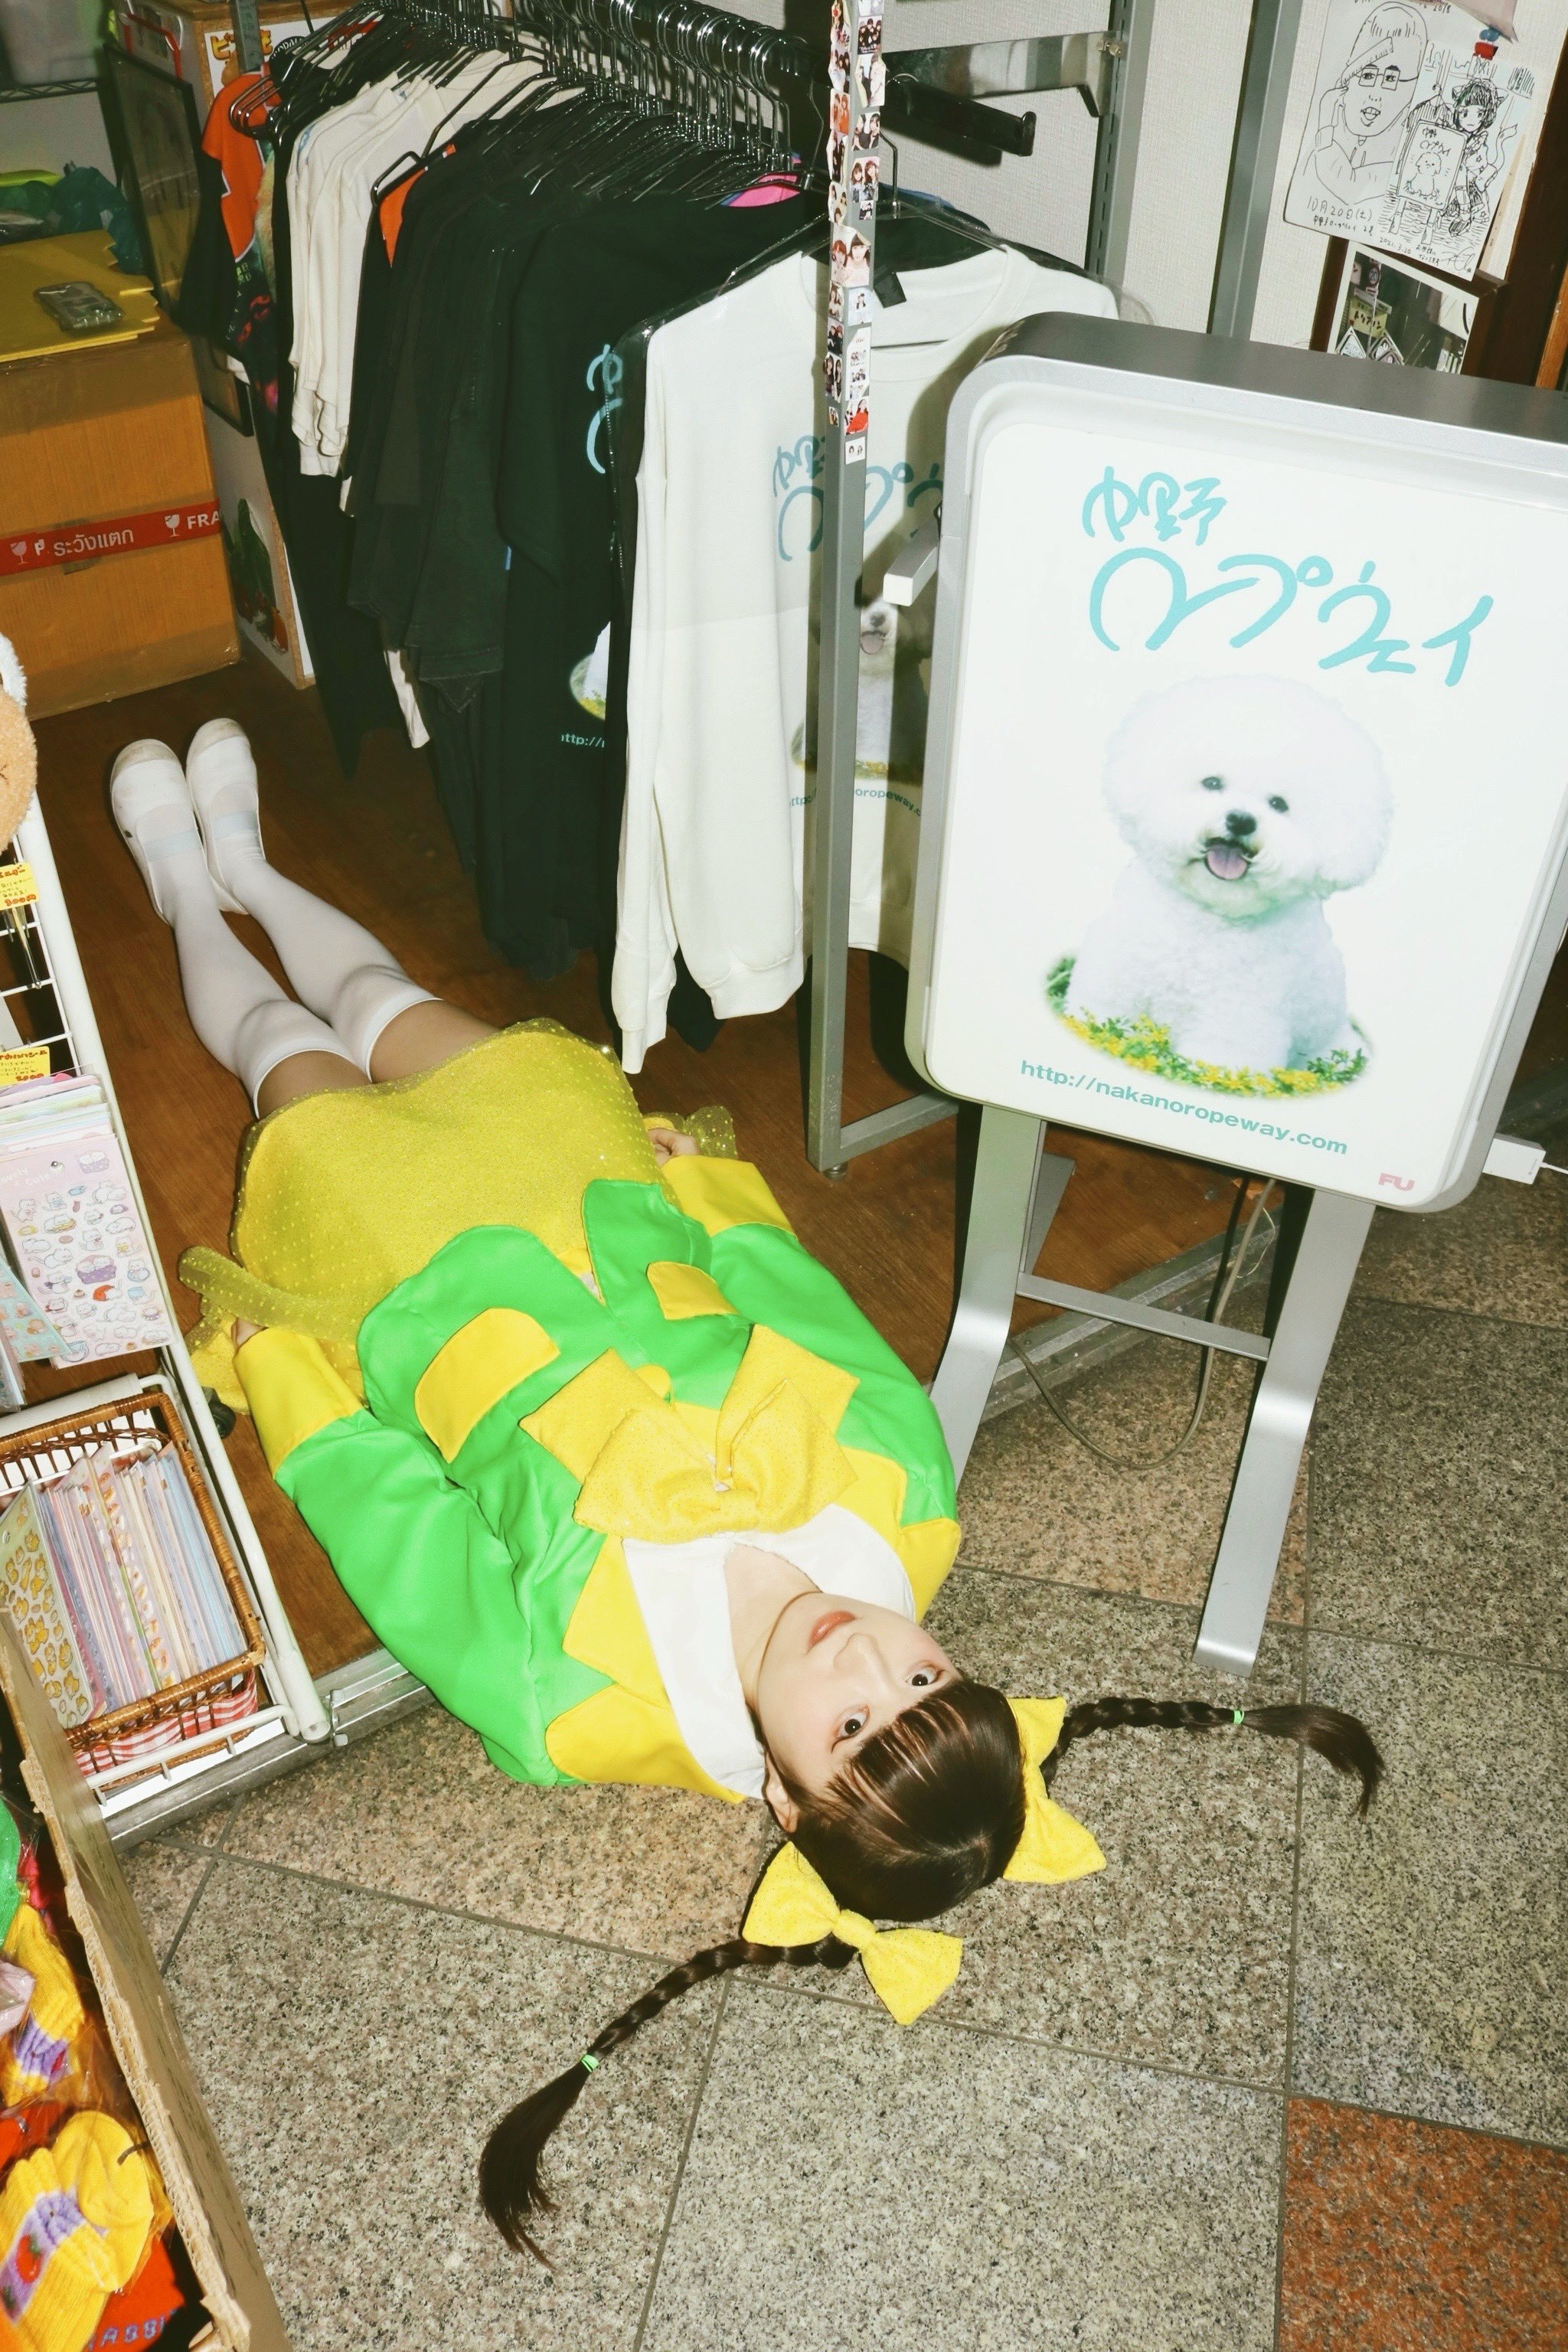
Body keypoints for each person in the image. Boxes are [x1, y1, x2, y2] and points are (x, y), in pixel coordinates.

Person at [110, 720, 1384, 2261]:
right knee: (387, 999)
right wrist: (705, 1192)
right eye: (926, 1677)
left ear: (779, 1801)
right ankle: (253, 865)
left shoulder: (572, 1705)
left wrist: (296, 1378)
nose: (867, 1657)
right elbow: (807, 1313)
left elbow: (397, 1531)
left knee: (285, 1053)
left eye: (850, 1730)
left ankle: (177, 880)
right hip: (596, 1195)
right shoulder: (906, 1498)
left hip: (412, 1278)